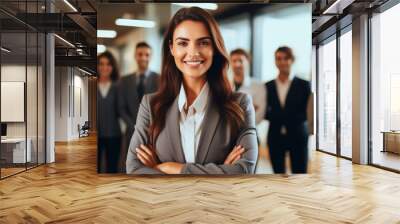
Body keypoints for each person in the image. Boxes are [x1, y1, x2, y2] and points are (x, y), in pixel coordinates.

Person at [126, 7, 258, 174]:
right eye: (183, 43)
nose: (193, 52)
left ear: (214, 48)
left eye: (203, 42)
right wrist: (220, 172)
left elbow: (243, 170)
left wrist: (171, 169)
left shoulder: (240, 104)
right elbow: (134, 169)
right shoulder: (150, 106)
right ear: (172, 48)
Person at [264, 46, 311, 174]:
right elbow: (264, 111)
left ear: (292, 60)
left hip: (298, 135)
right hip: (275, 136)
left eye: (286, 58)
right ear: (275, 61)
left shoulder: (304, 85)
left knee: (300, 174)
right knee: (278, 174)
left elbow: (308, 112)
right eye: (279, 58)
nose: (282, 62)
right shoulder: (267, 86)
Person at [118, 42, 159, 172]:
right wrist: (135, 126)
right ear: (135, 56)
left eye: (147, 55)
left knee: (150, 168)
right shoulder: (124, 81)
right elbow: (121, 108)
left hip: (153, 134)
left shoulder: (160, 79)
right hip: (130, 132)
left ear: (151, 57)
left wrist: (149, 127)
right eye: (140, 54)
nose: (143, 58)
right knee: (129, 166)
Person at [97, 51, 121, 173]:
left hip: (114, 135)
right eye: (101, 64)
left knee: (112, 169)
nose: (105, 67)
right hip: (96, 136)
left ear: (112, 67)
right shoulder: (93, 86)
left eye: (108, 64)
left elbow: (123, 110)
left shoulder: (118, 87)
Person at [230, 48, 266, 125]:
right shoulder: (225, 85)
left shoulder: (258, 86)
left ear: (248, 62)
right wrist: (248, 108)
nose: (237, 64)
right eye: (234, 61)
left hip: (249, 132)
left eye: (240, 61)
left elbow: (259, 115)